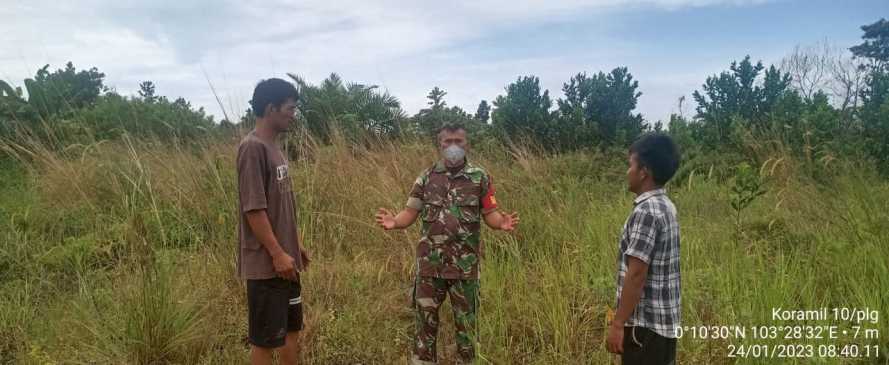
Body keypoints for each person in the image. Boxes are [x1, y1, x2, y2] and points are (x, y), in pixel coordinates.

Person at [375, 124, 519, 365]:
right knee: (425, 326)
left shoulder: (480, 177)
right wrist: (395, 222)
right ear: (440, 145)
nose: (453, 146)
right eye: (447, 142)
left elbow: (490, 213)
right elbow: (410, 212)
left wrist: (500, 223)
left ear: (467, 144)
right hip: (430, 267)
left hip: (465, 268)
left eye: (458, 141)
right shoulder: (426, 177)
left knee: (467, 327)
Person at [237, 78, 311, 365]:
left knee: (292, 330)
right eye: (290, 108)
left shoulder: (275, 148)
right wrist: (277, 253)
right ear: (271, 108)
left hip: (286, 262)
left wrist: (295, 245)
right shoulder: (252, 148)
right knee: (266, 340)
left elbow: (280, 208)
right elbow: (253, 209)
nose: (293, 115)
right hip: (268, 267)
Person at [606, 133, 682, 365]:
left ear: (644, 171)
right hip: (662, 327)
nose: (627, 172)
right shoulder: (665, 206)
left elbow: (637, 274)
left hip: (645, 328)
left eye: (631, 165)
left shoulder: (646, 212)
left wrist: (618, 324)